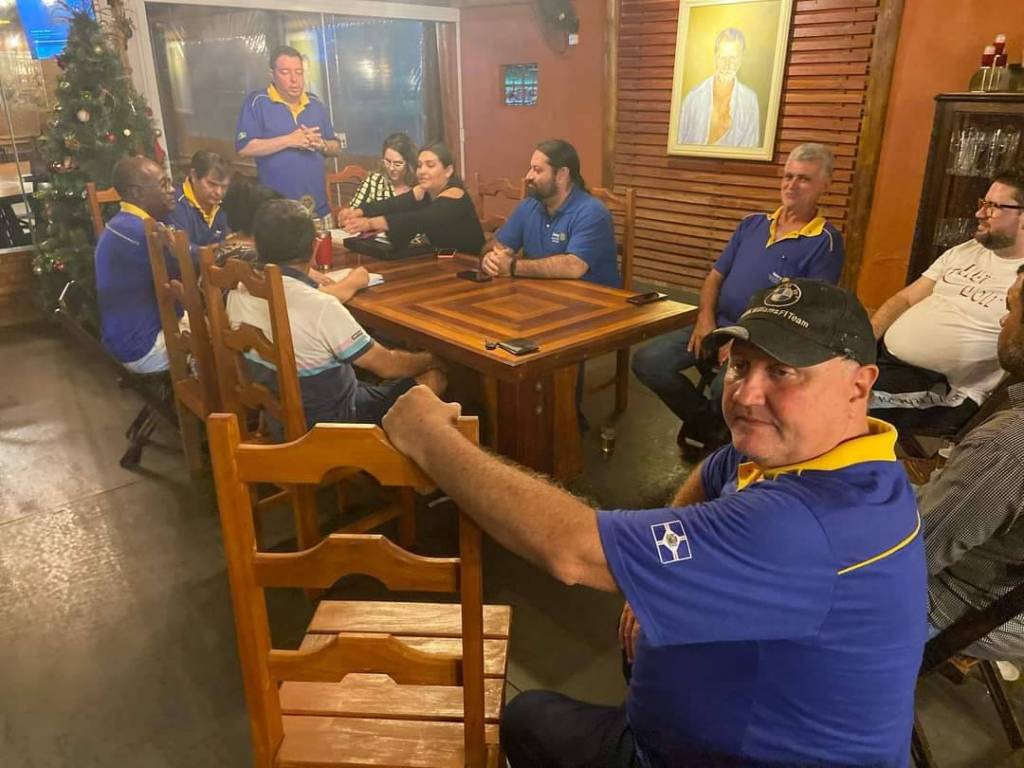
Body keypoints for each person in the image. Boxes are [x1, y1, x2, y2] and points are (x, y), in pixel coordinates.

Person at [380, 278, 925, 767]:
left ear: (859, 386)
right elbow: (718, 467)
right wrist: (658, 574)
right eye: (740, 366)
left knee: (526, 718)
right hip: (719, 719)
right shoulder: (841, 457)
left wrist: (428, 436)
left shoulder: (804, 526)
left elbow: (573, 549)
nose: (746, 394)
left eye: (783, 372)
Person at [632, 143, 843, 449]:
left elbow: (804, 314)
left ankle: (717, 435)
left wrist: (744, 341)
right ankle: (714, 430)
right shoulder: (752, 224)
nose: (791, 185)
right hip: (717, 324)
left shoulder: (825, 243)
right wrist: (705, 320)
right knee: (648, 362)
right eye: (788, 176)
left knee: (725, 390)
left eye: (804, 179)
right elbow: (714, 277)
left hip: (762, 343)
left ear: (825, 185)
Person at [226, 199, 445, 431]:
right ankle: (392, 448)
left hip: (278, 419)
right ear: (314, 246)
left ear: (257, 244)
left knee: (369, 376)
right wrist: (430, 358)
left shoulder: (238, 291)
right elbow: (388, 365)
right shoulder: (320, 306)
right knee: (434, 377)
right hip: (334, 423)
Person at [869, 167, 1024, 433]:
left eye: (993, 207)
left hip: (943, 387)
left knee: (837, 404)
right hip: (883, 359)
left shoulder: (1021, 281)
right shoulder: (966, 250)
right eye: (983, 203)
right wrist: (861, 344)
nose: (979, 213)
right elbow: (906, 299)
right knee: (806, 376)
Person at [921, 264, 1024, 661]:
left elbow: (910, 553)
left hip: (963, 603)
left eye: (1011, 308)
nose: (1002, 321)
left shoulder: (1008, 445)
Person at [480, 139, 618, 287]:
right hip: (538, 292)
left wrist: (512, 266)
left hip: (591, 297)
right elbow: (496, 245)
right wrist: (491, 259)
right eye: (530, 169)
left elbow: (573, 266)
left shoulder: (592, 212)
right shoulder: (528, 206)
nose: (528, 176)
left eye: (537, 170)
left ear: (562, 175)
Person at [95, 155, 178, 374]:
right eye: (164, 185)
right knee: (220, 337)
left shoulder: (122, 223)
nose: (172, 190)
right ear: (137, 193)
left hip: (121, 339)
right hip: (143, 349)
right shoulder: (142, 233)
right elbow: (188, 267)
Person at [235, 45, 339, 219]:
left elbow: (336, 147)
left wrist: (321, 144)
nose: (294, 79)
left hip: (318, 209)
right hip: (277, 213)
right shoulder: (257, 102)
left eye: (299, 72)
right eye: (285, 72)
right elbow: (244, 148)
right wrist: (289, 140)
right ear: (272, 75)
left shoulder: (315, 103)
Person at [339, 141, 484, 255]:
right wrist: (358, 212)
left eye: (430, 165)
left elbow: (418, 219)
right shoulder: (423, 191)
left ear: (448, 171)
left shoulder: (455, 195)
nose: (422, 171)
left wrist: (370, 223)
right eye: (420, 165)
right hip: (440, 257)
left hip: (467, 262)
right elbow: (393, 204)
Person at [677, 27, 760, 147]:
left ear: (740, 60)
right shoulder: (693, 98)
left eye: (732, 59)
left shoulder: (749, 101)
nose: (727, 65)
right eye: (723, 58)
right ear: (715, 58)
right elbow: (679, 143)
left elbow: (750, 149)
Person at [166, 149, 231, 247]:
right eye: (212, 184)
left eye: (224, 186)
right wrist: (210, 251)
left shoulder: (224, 203)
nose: (219, 192)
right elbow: (180, 249)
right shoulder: (174, 203)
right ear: (194, 175)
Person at [348, 132, 418, 208]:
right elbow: (353, 210)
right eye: (387, 161)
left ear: (409, 164)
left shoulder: (417, 185)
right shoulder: (374, 181)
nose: (391, 168)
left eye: (397, 164)